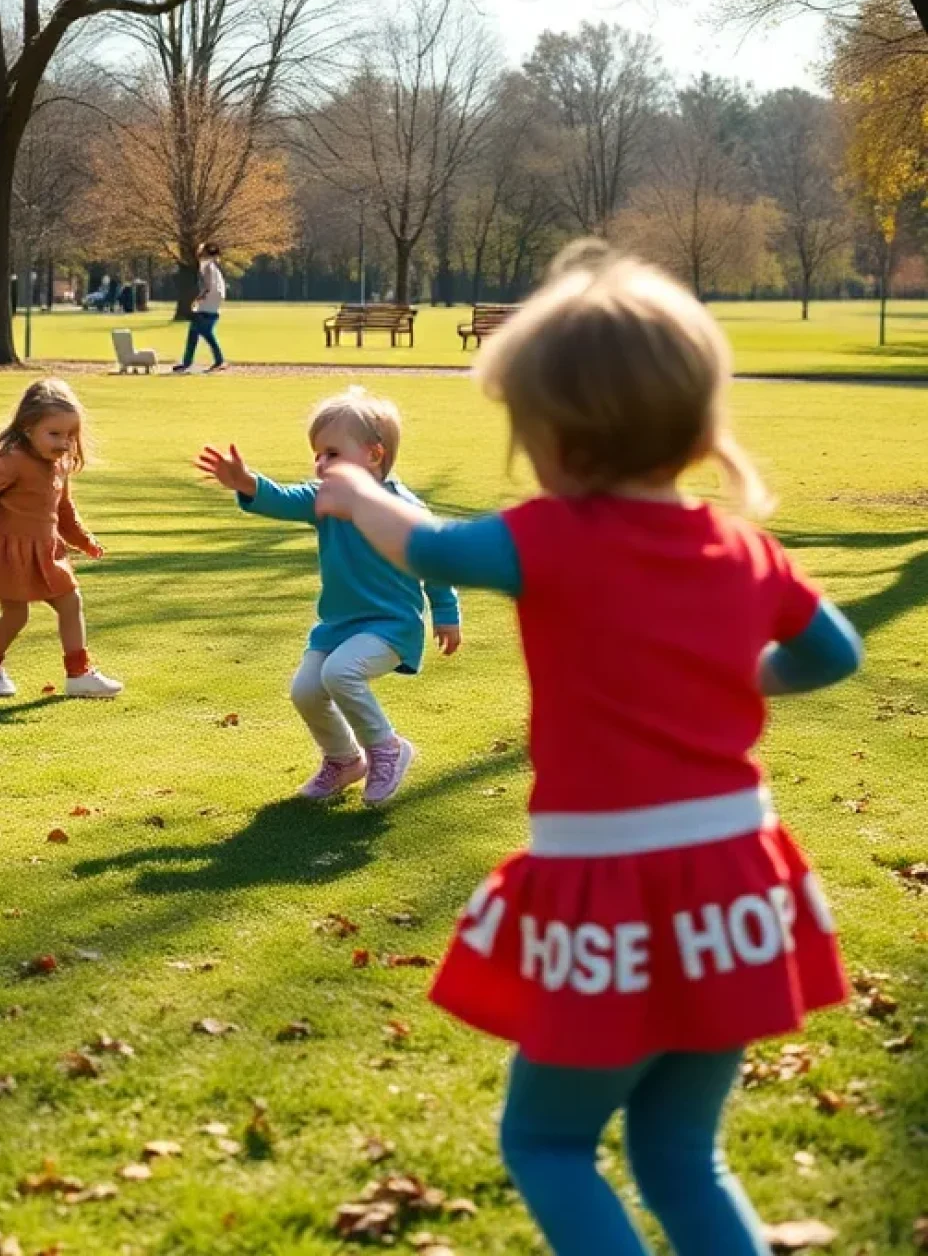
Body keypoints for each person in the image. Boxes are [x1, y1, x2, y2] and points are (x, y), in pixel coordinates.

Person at [314, 245, 861, 1256]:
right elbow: (834, 651)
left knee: (550, 1142)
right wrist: (750, 676)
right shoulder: (745, 549)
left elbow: (431, 547)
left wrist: (354, 487)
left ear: (553, 433)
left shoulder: (550, 538)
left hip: (613, 882)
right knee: (683, 1156)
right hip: (737, 879)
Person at [196, 388, 461, 805]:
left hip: (391, 625)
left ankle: (387, 748)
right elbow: (280, 498)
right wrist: (246, 482)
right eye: (316, 454)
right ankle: (343, 760)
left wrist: (446, 613)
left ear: (373, 456)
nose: (320, 464)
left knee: (339, 673)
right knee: (305, 690)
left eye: (332, 453)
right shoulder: (324, 500)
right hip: (337, 625)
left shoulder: (404, 509)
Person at [0, 378, 122, 699]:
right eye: (54, 434)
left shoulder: (59, 467)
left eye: (70, 435)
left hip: (47, 554)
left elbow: (64, 512)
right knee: (16, 615)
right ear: (27, 427)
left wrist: (84, 540)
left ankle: (78, 674)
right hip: (10, 555)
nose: (64, 443)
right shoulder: (13, 462)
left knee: (71, 602)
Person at [174, 242, 227, 373]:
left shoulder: (207, 266)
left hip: (207, 305)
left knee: (206, 334)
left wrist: (199, 298)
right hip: (211, 305)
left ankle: (219, 360)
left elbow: (208, 286)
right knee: (193, 333)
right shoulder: (213, 266)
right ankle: (187, 362)